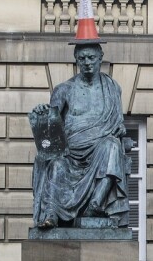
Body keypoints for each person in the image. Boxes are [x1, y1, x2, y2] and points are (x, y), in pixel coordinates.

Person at [30, 43, 129, 229]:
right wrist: (42, 113)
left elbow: (118, 123)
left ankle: (96, 204)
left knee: (112, 145)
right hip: (70, 155)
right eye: (82, 58)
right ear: (76, 60)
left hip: (99, 152)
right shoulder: (64, 90)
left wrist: (121, 129)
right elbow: (51, 125)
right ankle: (51, 215)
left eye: (91, 58)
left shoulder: (112, 88)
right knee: (56, 165)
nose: (87, 63)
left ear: (100, 58)